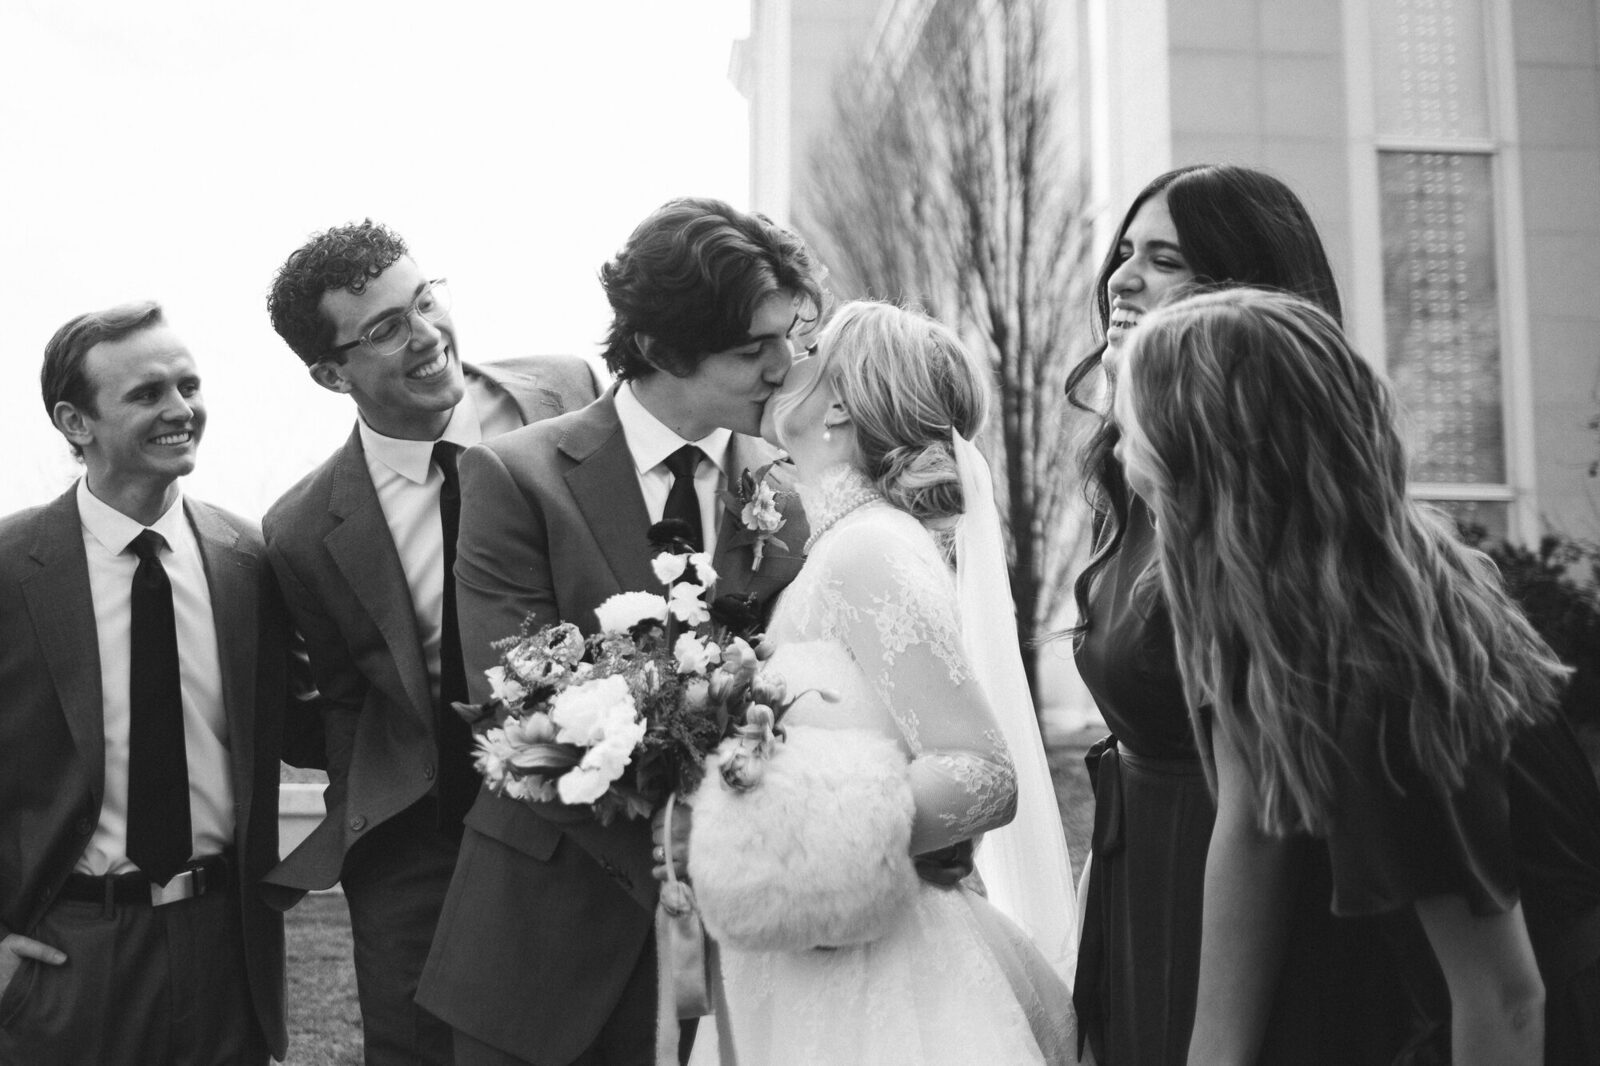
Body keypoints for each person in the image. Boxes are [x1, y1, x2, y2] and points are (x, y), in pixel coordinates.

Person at [1111, 286, 1600, 1065]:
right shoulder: (1306, 618)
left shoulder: (1377, 680)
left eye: (1133, 431)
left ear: (1205, 459)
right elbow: (1253, 819)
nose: (1118, 452)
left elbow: (1508, 1001)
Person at [415, 197, 822, 1066]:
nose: (785, 369)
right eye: (754, 349)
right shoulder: (514, 478)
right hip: (547, 942)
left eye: (791, 337)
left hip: (746, 949)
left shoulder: (786, 495)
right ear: (660, 348)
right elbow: (514, 706)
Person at [1063, 164, 1402, 1065]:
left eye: (1162, 259)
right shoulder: (1142, 474)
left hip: (1239, 904)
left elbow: (1261, 809)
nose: (1121, 280)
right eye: (1124, 253)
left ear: (1244, 291)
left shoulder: (1255, 495)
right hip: (1141, 877)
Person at [685, 300, 1081, 1064]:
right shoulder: (829, 551)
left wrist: (791, 852)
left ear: (837, 403)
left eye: (808, 352)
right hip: (799, 954)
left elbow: (983, 775)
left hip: (873, 967)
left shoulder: (869, 551)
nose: (781, 364)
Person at [258, 220, 598, 1065]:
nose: (426, 338)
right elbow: (335, 702)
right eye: (385, 329)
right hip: (420, 849)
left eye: (425, 300)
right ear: (330, 373)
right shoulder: (302, 529)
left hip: (593, 813)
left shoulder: (566, 391)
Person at [0, 302, 302, 1064]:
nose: (181, 411)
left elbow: (312, 722)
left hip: (226, 947)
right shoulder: (10, 569)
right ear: (76, 422)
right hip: (65, 951)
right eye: (146, 394)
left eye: (189, 385)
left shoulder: (251, 560)